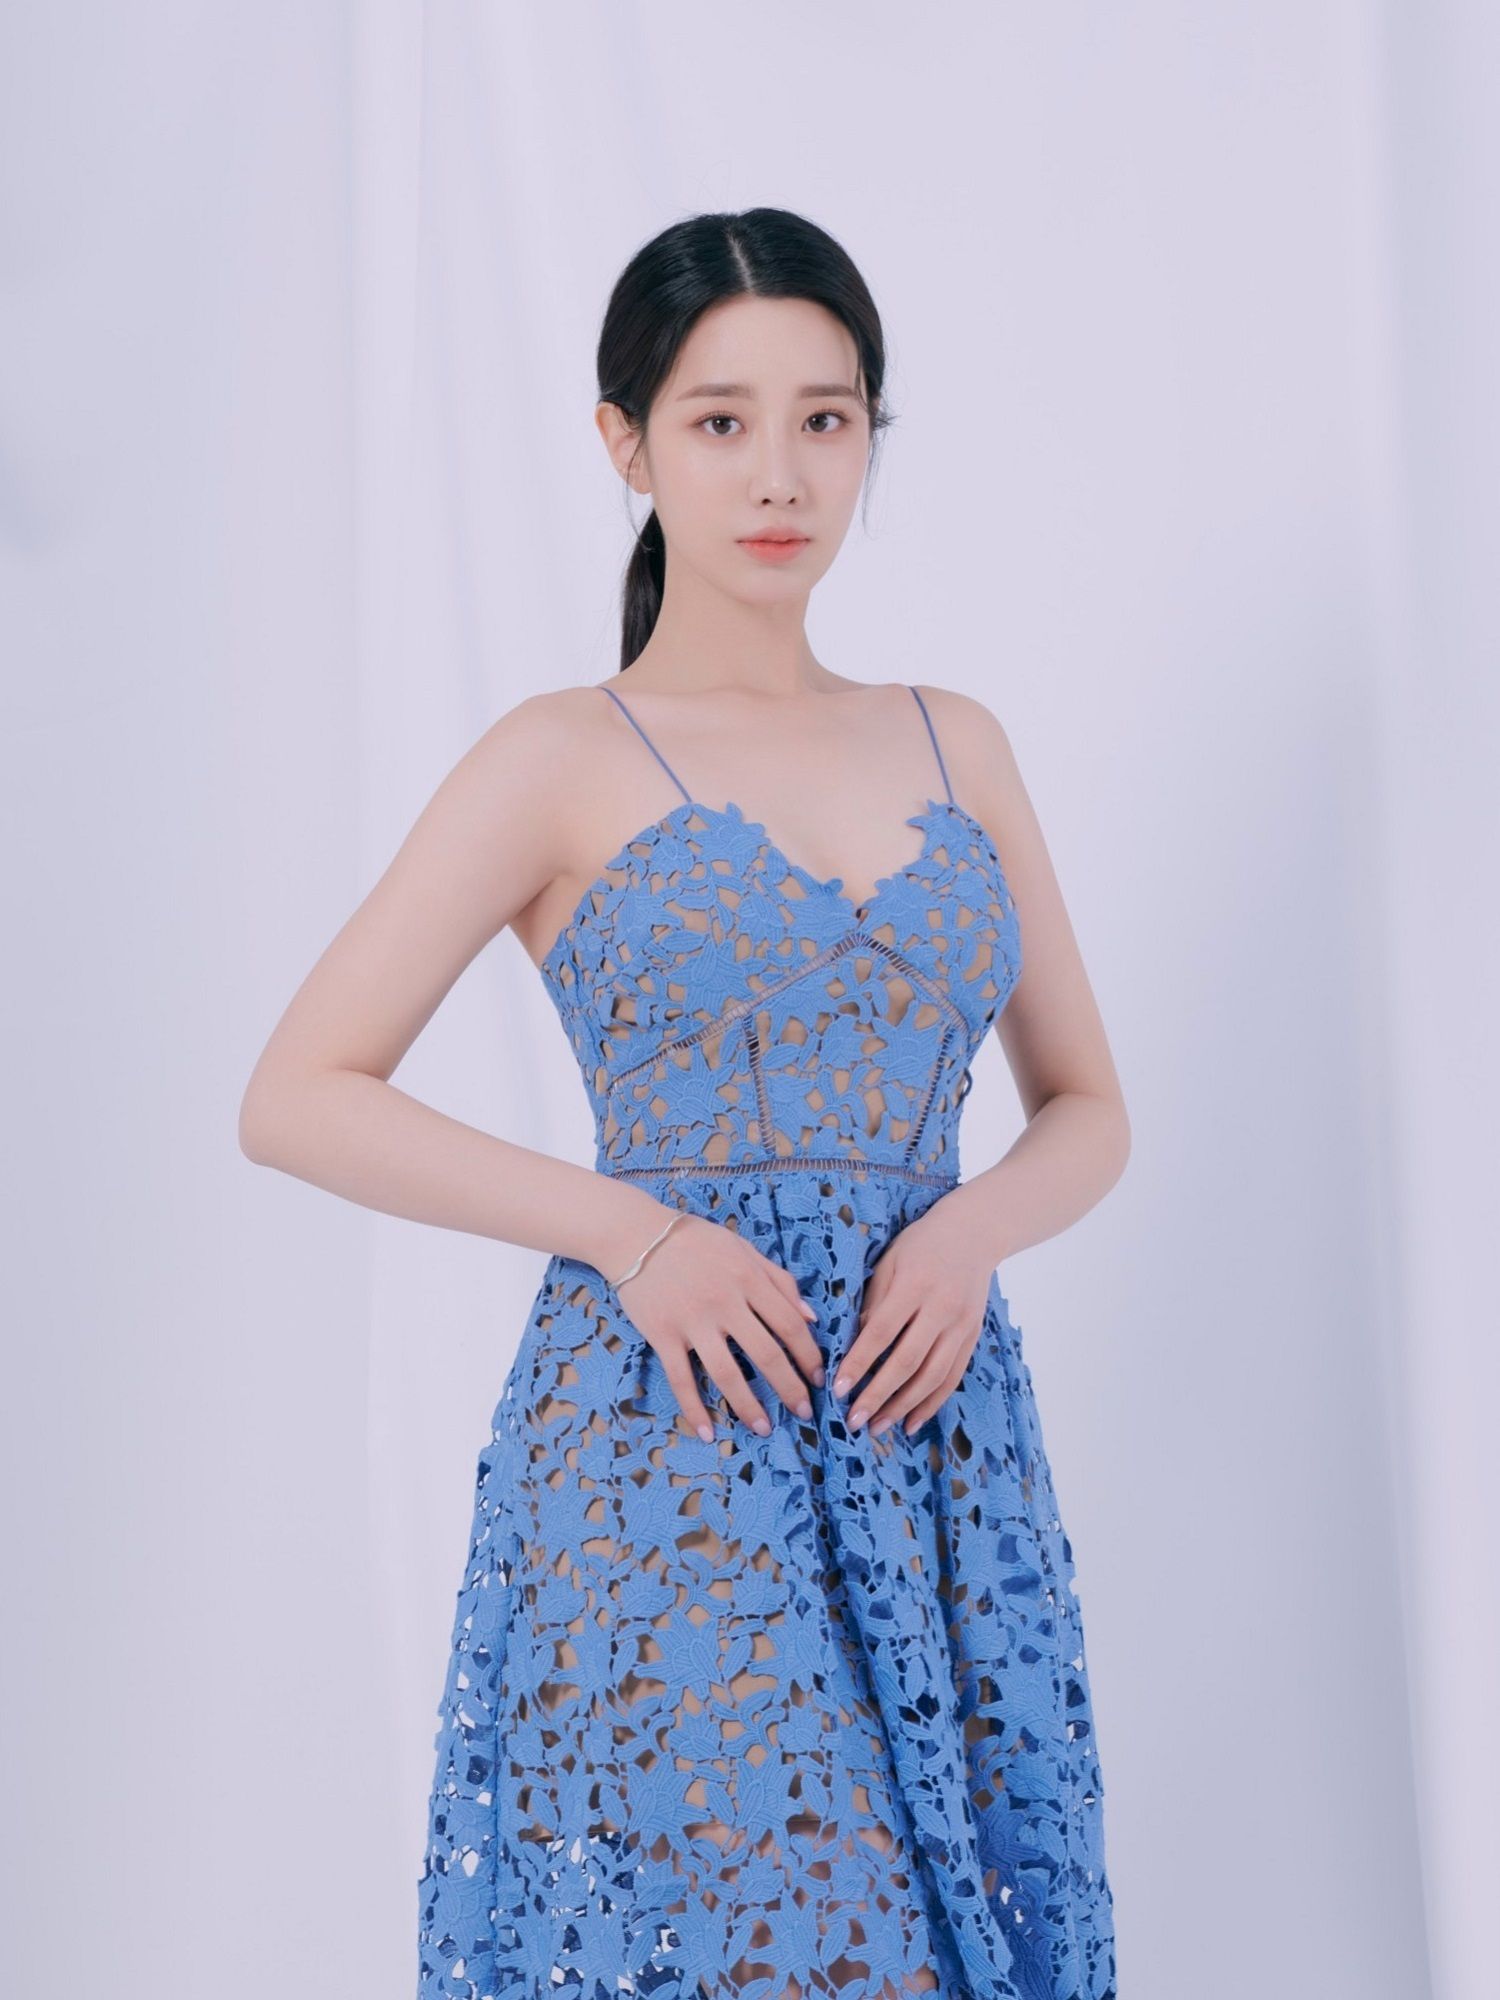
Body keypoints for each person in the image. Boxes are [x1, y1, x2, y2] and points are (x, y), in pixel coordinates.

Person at [240, 206, 1127, 2000]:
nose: (780, 471)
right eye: (721, 420)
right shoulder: (557, 755)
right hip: (677, 1430)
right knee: (759, 1942)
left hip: (935, 1438)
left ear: (871, 437)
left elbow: (1088, 1107)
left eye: (826, 417)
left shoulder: (956, 738)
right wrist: (633, 1234)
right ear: (626, 443)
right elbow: (298, 1093)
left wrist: (967, 1234)